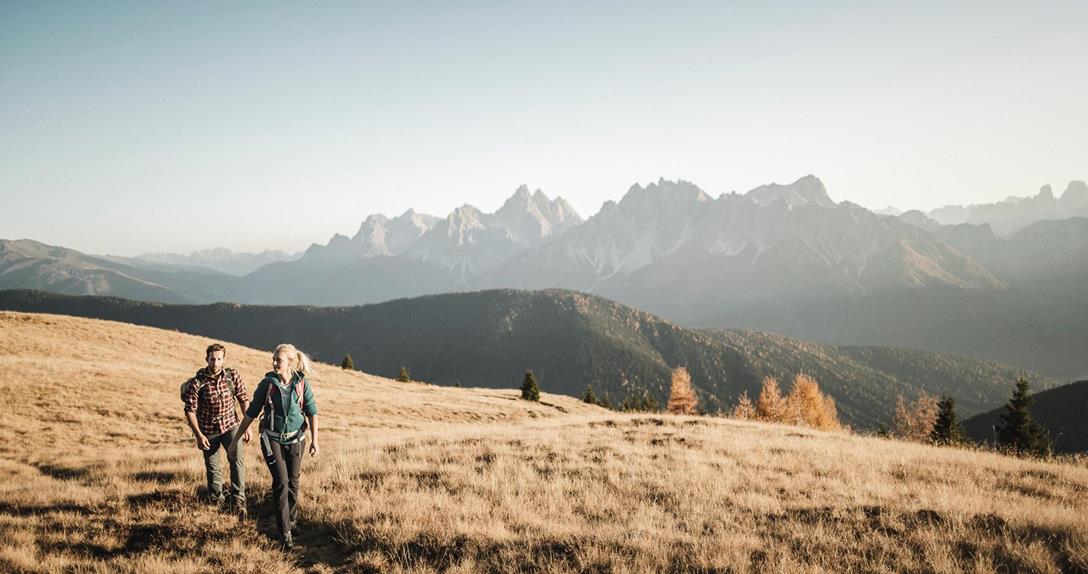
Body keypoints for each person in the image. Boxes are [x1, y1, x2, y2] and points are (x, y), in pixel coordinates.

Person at [229, 343, 319, 550]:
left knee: (294, 482)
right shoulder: (267, 384)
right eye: (274, 359)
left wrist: (315, 440)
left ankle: (292, 520)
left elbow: (312, 412)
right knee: (281, 482)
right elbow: (251, 413)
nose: (274, 362)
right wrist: (235, 441)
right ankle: (285, 534)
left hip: (297, 439)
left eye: (278, 359)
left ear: (290, 363)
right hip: (272, 439)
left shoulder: (302, 384)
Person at [183, 343, 251, 515]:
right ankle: (217, 502)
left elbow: (243, 399)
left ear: (224, 360)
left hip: (231, 426)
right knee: (213, 467)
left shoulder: (232, 376)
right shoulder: (197, 382)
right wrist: (198, 435)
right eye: (212, 359)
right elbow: (190, 410)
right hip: (208, 430)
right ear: (207, 359)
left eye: (219, 359)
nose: (215, 363)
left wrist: (247, 426)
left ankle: (238, 501)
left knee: (237, 462)